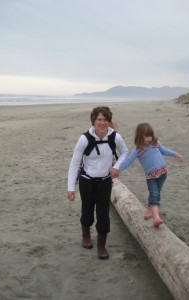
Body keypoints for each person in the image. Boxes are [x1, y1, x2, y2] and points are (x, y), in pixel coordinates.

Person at [67, 106, 128, 259]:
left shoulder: (115, 137)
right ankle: (86, 237)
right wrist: (70, 188)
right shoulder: (84, 139)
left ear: (109, 121)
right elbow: (74, 163)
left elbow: (125, 152)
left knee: (103, 214)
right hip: (87, 181)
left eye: (105, 120)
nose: (102, 123)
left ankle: (101, 246)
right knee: (86, 210)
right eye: (99, 120)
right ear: (93, 121)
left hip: (105, 182)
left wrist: (116, 167)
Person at [119, 123, 183, 227]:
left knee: (156, 193)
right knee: (154, 193)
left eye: (150, 135)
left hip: (163, 173)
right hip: (151, 176)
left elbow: (164, 150)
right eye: (146, 136)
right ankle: (156, 217)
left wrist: (175, 154)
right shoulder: (137, 150)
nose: (149, 138)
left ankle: (150, 209)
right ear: (140, 136)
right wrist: (118, 170)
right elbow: (128, 161)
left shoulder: (155, 143)